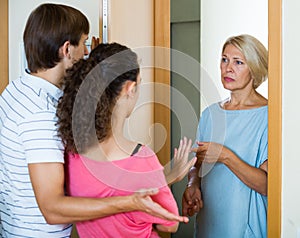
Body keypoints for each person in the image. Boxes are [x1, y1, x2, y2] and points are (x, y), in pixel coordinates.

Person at [0, 3, 194, 237]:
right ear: (66, 49)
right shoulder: (41, 116)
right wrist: (131, 201)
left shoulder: (16, 90)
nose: (86, 52)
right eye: (84, 44)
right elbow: (52, 208)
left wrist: (101, 72)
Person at [56, 42, 193, 237]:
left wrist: (164, 178)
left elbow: (110, 192)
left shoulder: (70, 153)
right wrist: (161, 179)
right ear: (130, 88)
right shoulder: (142, 159)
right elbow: (169, 225)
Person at [182, 34, 268, 238]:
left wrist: (225, 156)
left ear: (254, 69)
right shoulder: (210, 114)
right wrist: (192, 184)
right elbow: (198, 163)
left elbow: (267, 185)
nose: (228, 68)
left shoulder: (269, 117)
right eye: (224, 59)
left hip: (246, 228)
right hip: (209, 223)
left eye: (238, 62)